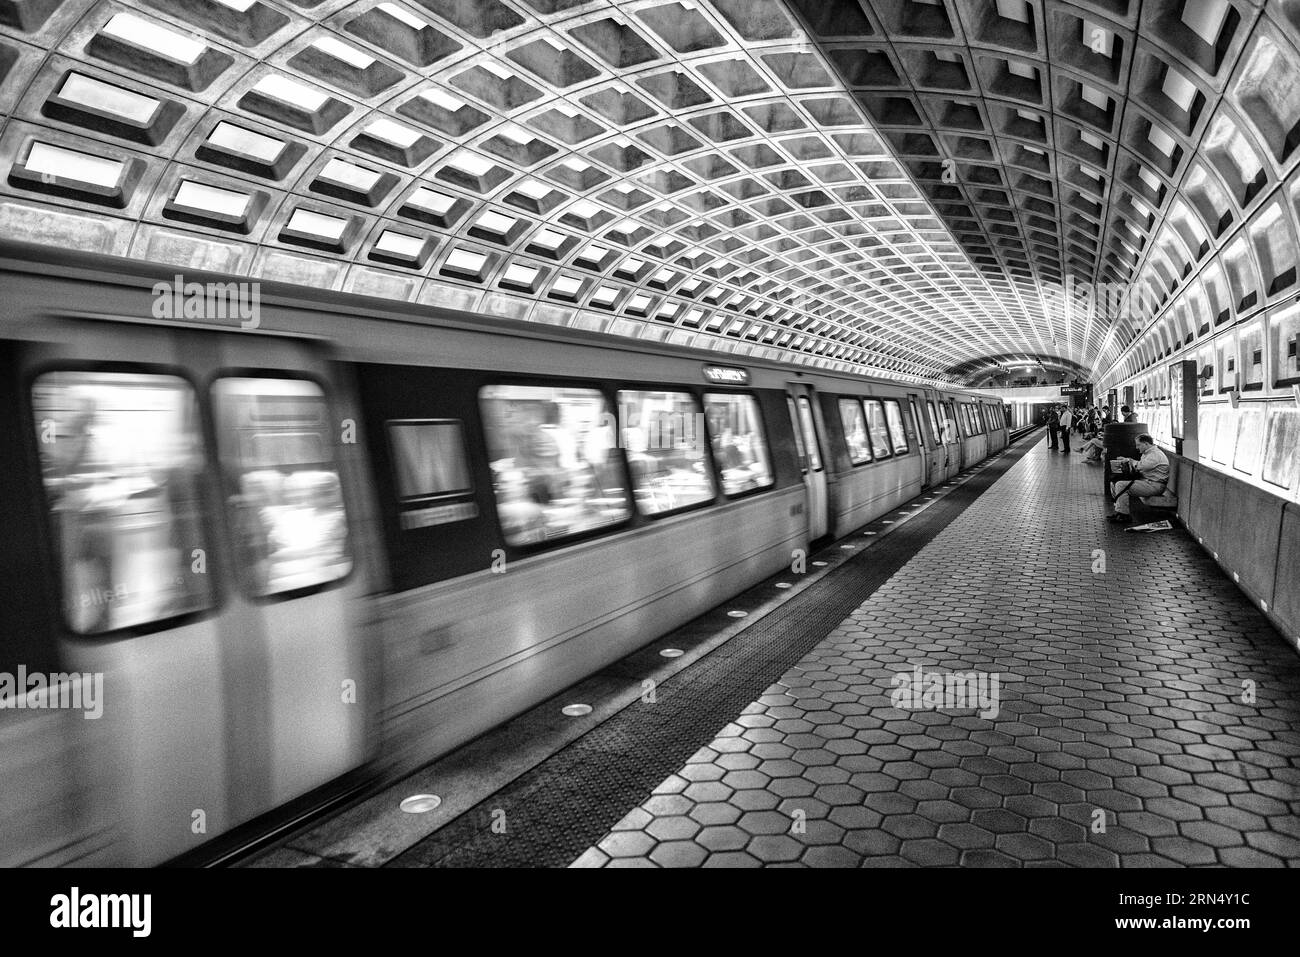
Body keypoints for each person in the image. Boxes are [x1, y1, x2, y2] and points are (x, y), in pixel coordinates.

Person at [1108, 433, 1169, 525]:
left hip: (1154, 486)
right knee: (1116, 482)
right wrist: (1128, 461)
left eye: (1138, 445)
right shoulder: (1148, 453)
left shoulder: (1155, 455)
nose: (1137, 447)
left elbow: (1141, 466)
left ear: (1146, 444)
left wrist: (1129, 461)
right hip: (1148, 482)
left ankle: (1124, 515)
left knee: (1121, 485)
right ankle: (1119, 512)